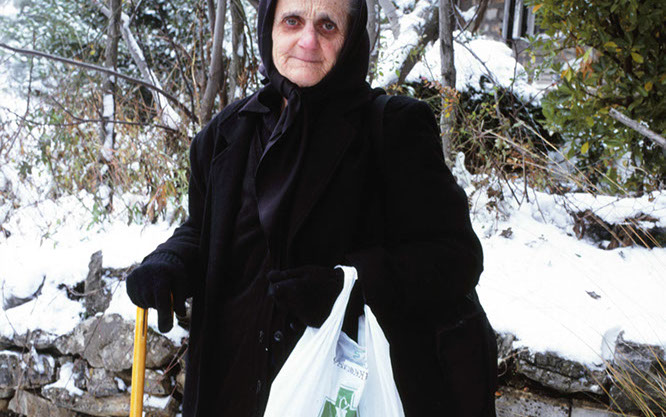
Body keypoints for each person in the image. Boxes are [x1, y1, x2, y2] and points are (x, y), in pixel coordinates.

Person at [126, 0, 498, 414]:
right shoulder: (226, 133)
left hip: (339, 394)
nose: (308, 40)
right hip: (230, 389)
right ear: (269, 29)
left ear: (351, 38)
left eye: (327, 26)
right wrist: (170, 263)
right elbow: (204, 229)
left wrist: (348, 287)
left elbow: (456, 257)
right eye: (292, 21)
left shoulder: (393, 130)